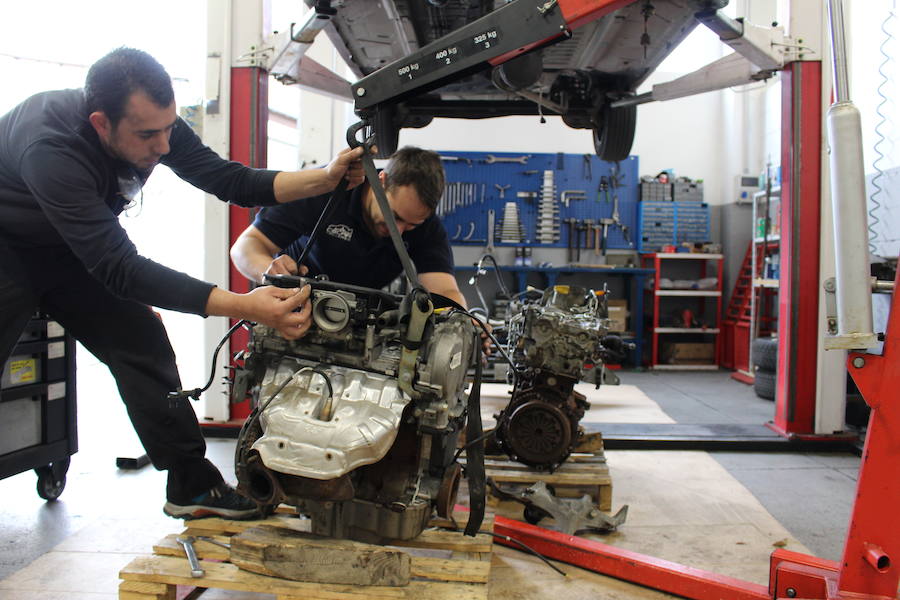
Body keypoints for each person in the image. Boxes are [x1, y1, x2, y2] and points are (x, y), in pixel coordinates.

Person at [0, 47, 365, 520]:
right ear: (100, 123)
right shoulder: (49, 144)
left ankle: (191, 484)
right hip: (7, 247)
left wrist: (325, 179)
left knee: (139, 341)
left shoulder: (155, 126)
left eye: (169, 128)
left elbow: (230, 181)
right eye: (148, 134)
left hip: (67, 250)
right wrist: (245, 305)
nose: (164, 146)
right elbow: (122, 269)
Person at [230, 146, 469, 307]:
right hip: (297, 306)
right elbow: (245, 248)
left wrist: (465, 324)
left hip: (361, 319)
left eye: (411, 224)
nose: (400, 229)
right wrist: (270, 272)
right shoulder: (324, 189)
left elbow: (444, 293)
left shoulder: (426, 227)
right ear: (381, 181)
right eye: (394, 216)